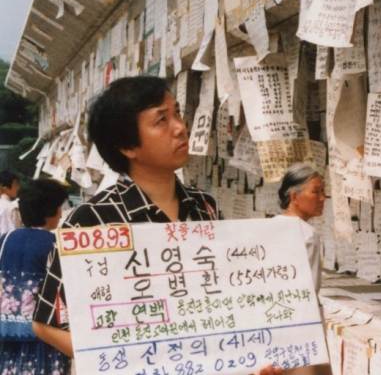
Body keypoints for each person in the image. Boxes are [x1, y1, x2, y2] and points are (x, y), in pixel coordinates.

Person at [31, 76, 282, 375]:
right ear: (127, 146)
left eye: (177, 113)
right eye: (161, 120)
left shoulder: (204, 207)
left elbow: (224, 299)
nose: (180, 127)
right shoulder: (90, 222)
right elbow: (46, 324)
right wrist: (137, 362)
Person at [0, 178, 70, 374]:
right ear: (50, 210)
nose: (61, 213)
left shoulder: (6, 240)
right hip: (46, 336)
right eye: (59, 207)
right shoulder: (55, 244)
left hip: (7, 334)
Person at [277, 164, 331, 375]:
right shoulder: (307, 235)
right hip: (301, 327)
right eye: (315, 191)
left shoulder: (272, 226)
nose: (322, 198)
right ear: (294, 197)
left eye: (323, 191)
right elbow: (307, 291)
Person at [0, 170, 21, 235]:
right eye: (15, 184)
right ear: (5, 188)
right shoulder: (12, 208)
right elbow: (15, 235)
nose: (18, 188)